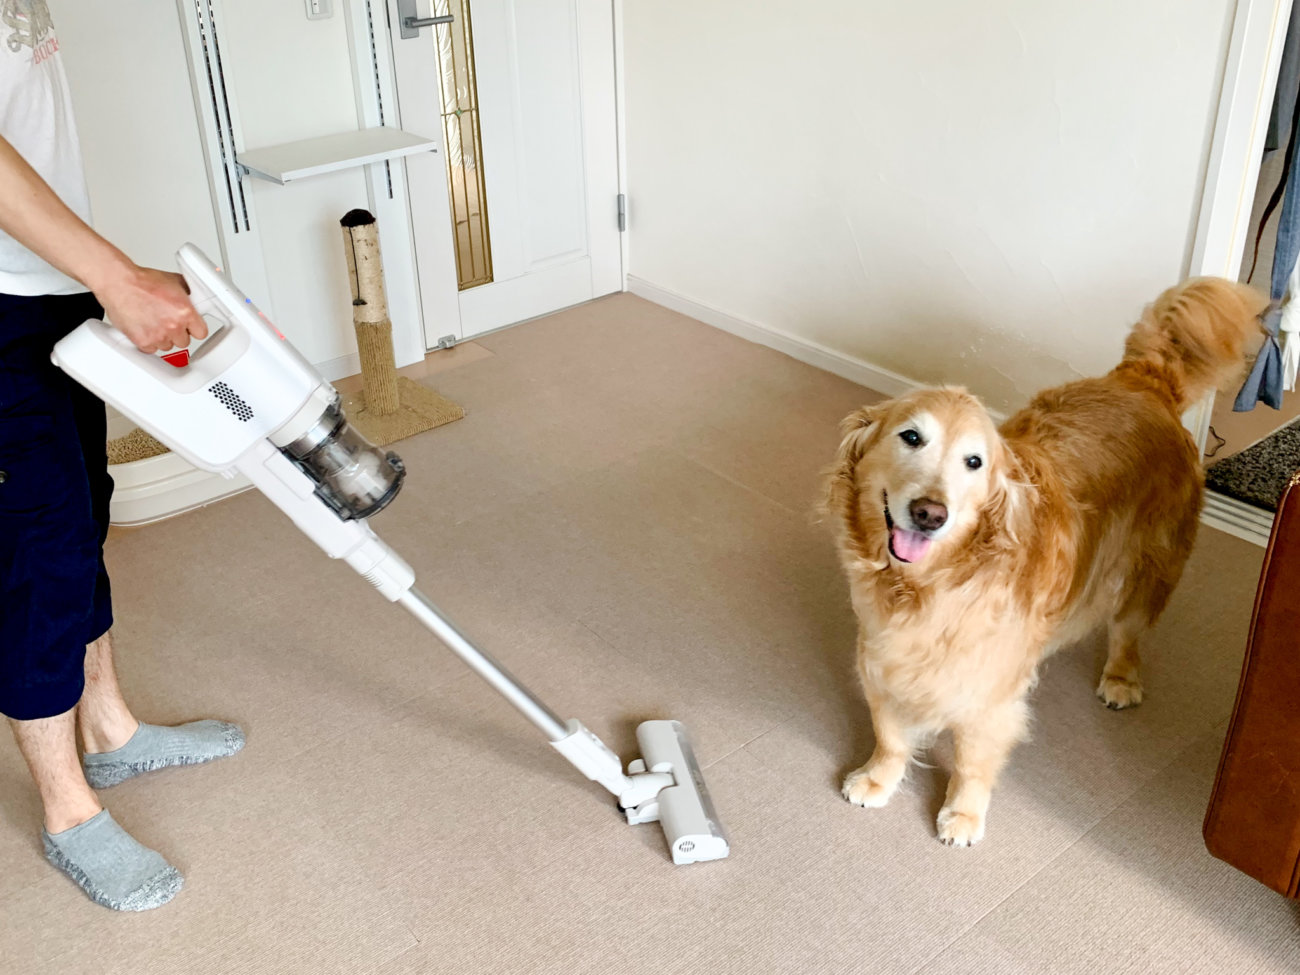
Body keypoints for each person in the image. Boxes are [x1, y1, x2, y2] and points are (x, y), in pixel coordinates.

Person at [1, 2, 244, 911]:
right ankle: (68, 812)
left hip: (41, 285)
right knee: (37, 550)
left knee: (83, 510)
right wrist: (117, 276)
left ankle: (109, 725)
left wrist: (90, 275)